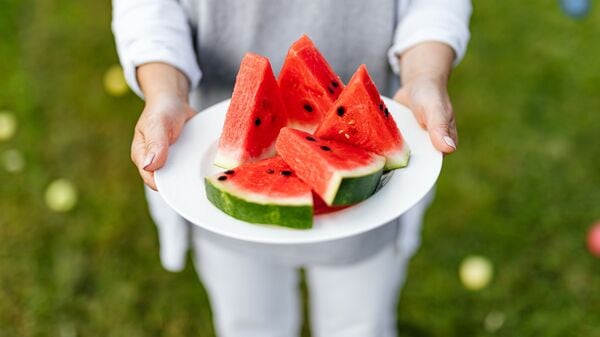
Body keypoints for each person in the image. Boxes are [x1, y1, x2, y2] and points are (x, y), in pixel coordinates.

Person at [112, 1, 471, 336]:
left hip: (368, 206)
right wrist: (165, 91)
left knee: (360, 323)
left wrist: (425, 75)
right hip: (219, 191)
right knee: (248, 322)